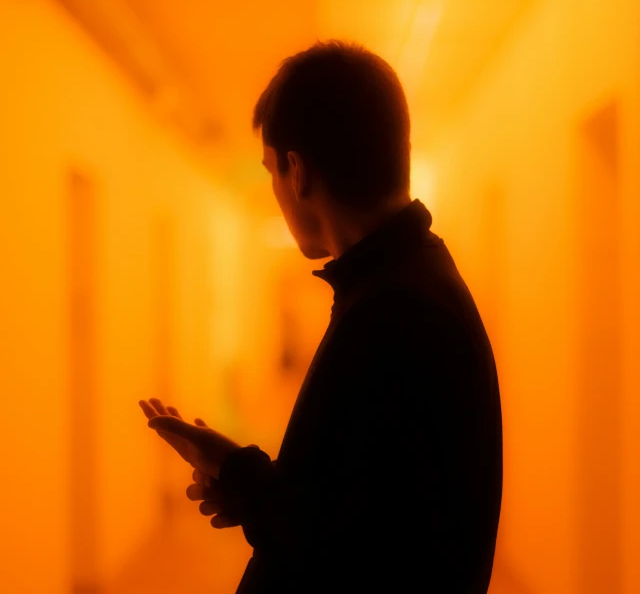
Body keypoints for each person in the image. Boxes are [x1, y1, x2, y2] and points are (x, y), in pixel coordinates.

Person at [139, 40, 502, 593]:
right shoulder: (403, 285)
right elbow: (361, 506)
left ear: (297, 171)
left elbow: (345, 556)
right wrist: (244, 477)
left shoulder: (394, 313)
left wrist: (244, 478)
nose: (277, 192)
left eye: (271, 171)